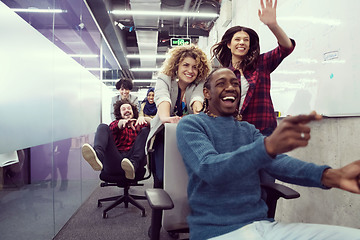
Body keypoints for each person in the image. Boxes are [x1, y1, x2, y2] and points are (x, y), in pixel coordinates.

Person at [176, 68, 360, 240]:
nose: (230, 88)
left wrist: (330, 176)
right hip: (217, 232)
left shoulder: (247, 130)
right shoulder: (191, 125)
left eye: (235, 83)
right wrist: (267, 147)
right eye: (221, 83)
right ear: (206, 93)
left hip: (263, 226)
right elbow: (210, 168)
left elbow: (279, 163)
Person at [211, 0, 294, 136]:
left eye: (246, 40)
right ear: (228, 44)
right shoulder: (223, 74)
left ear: (249, 45)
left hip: (263, 129)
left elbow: (286, 48)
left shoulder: (262, 63)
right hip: (235, 131)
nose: (242, 42)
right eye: (237, 39)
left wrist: (273, 25)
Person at [146, 44, 211, 187]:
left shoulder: (199, 83)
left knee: (184, 177)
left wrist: (199, 113)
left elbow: (197, 99)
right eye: (186, 65)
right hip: (163, 134)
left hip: (187, 136)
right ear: (177, 65)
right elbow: (163, 97)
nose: (190, 70)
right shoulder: (164, 79)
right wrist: (165, 117)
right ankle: (159, 207)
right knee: (162, 177)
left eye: (195, 67)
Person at [82, 99, 151, 180]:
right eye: (123, 109)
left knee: (146, 130)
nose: (127, 111)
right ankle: (98, 156)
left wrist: (143, 118)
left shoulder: (139, 125)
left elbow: (154, 124)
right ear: (120, 113)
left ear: (133, 111)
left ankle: (132, 165)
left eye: (129, 108)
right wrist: (122, 123)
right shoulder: (115, 124)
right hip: (115, 161)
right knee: (103, 126)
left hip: (133, 163)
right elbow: (116, 126)